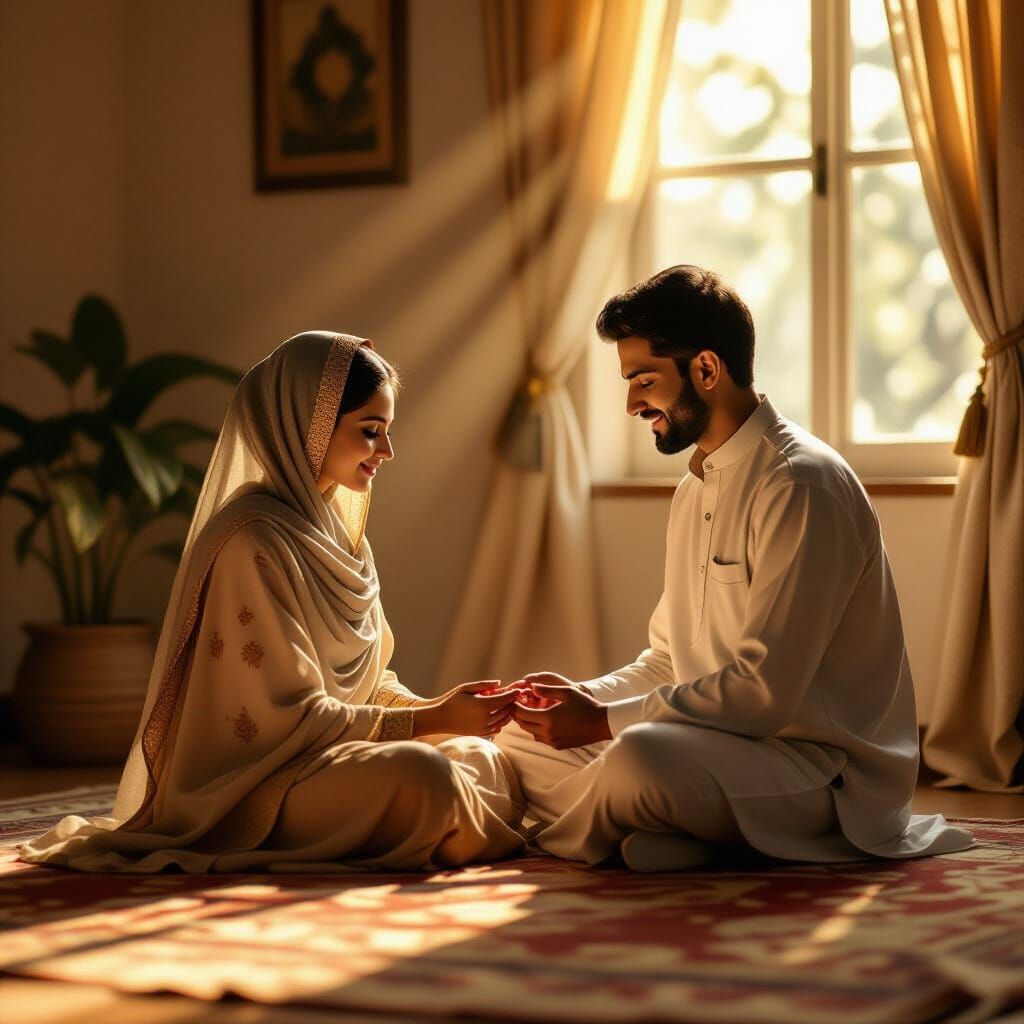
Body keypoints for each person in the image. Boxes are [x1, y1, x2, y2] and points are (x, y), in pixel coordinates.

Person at [497, 265, 975, 872]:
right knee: (518, 737)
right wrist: (575, 701)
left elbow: (763, 693)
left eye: (643, 380)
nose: (630, 404)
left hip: (822, 775)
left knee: (638, 757)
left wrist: (600, 722)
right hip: (720, 751)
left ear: (705, 369)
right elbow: (668, 662)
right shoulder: (695, 485)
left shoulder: (800, 484)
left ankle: (594, 834)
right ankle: (655, 835)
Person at [20, 332, 526, 873]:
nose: (387, 452)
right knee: (430, 780)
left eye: (387, 432)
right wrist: (429, 724)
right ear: (309, 426)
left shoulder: (340, 535)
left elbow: (367, 682)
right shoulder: (251, 540)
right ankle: (444, 826)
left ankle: (441, 830)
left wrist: (434, 709)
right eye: (371, 432)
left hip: (333, 757)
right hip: (260, 783)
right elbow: (293, 718)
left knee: (486, 758)